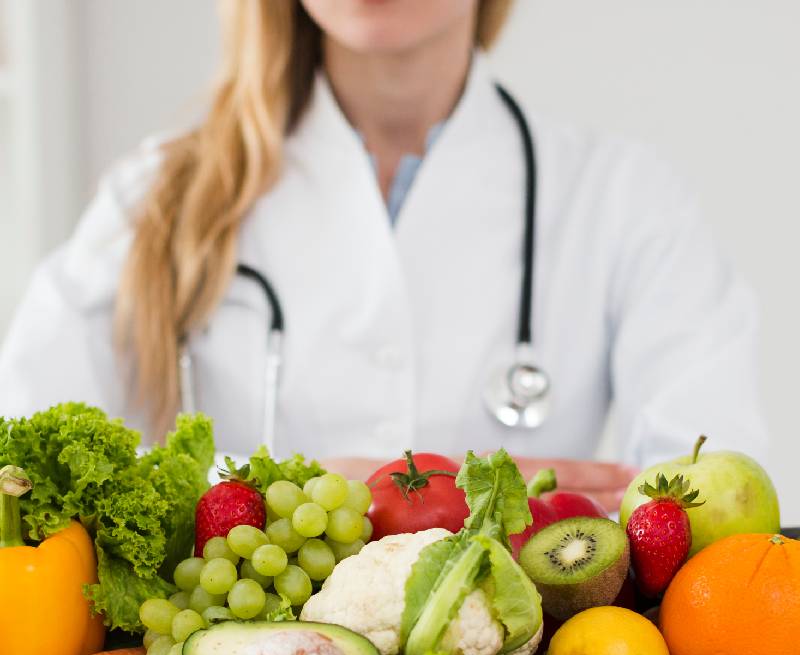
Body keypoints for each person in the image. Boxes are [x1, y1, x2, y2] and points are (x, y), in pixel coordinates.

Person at [0, 0, 766, 511]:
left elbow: (718, 500)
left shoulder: (624, 198)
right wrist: (311, 489)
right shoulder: (154, 197)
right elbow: (24, 473)